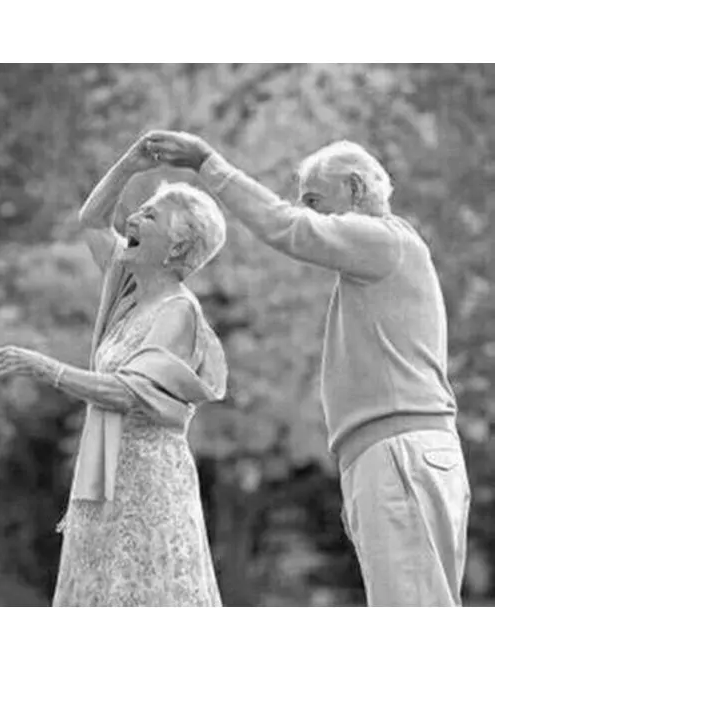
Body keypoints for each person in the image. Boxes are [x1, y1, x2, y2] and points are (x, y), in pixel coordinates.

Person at [143, 130, 470, 607]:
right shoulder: (380, 260)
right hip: (394, 453)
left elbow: (284, 226)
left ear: (356, 190)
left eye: (315, 200)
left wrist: (208, 164)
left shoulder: (383, 240)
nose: (307, 212)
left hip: (399, 452)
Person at [0, 135, 229, 606]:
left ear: (177, 249)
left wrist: (44, 367)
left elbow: (128, 393)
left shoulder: (178, 312)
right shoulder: (128, 286)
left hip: (147, 483)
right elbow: (92, 218)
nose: (132, 219)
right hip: (107, 478)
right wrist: (131, 163)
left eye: (149, 216)